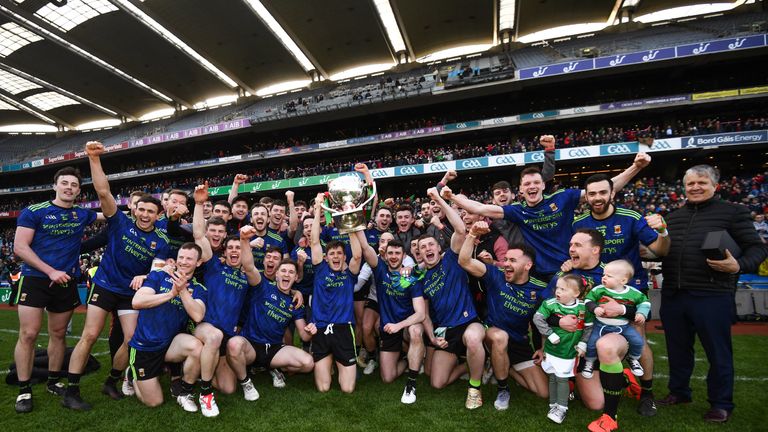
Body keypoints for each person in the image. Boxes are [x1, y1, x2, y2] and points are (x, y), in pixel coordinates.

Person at [63, 141, 171, 411]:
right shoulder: (119, 221)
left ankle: (112, 380)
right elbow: (103, 191)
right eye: (142, 210)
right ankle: (71, 390)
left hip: (130, 293)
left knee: (130, 339)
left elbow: (157, 269)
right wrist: (93, 158)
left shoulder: (162, 239)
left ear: (158, 216)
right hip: (105, 285)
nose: (145, 214)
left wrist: (145, 277)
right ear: (134, 210)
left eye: (151, 212)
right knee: (89, 334)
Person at [448, 138, 650, 280]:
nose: (532, 187)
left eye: (536, 182)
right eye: (527, 184)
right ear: (521, 189)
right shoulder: (518, 210)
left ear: (543, 184)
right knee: (541, 322)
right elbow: (482, 208)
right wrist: (450, 197)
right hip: (535, 272)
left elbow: (604, 188)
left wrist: (636, 167)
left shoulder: (563, 198)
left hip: (568, 269)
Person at [658, 165, 767, 423]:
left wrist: (739, 265)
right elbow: (664, 250)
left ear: (715, 185)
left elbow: (757, 248)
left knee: (717, 352)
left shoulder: (733, 212)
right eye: (690, 184)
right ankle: (679, 392)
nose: (695, 187)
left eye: (701, 183)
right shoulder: (672, 217)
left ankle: (721, 403)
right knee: (677, 349)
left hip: (712, 294)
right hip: (674, 292)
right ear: (683, 187)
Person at [573, 173, 670, 416]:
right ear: (587, 196)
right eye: (592, 193)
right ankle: (597, 376)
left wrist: (663, 232)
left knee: (638, 337)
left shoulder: (631, 217)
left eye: (602, 192)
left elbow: (660, 250)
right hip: (596, 290)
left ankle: (647, 393)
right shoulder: (579, 223)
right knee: (590, 333)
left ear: (612, 193)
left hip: (630, 290)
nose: (597, 198)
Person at [13, 167, 98, 413]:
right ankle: (24, 390)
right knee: (28, 334)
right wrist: (50, 270)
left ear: (79, 191)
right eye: (65, 183)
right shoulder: (34, 211)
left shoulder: (82, 214)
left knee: (59, 334)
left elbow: (109, 215)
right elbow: (20, 246)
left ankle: (52, 381)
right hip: (36, 279)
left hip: (66, 282)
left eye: (74, 184)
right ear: (55, 186)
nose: (69, 187)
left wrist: (137, 211)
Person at [457, 220, 549, 410]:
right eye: (506, 259)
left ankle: (500, 366)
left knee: (542, 392)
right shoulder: (495, 274)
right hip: (492, 334)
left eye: (512, 261)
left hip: (519, 342)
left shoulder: (540, 289)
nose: (506, 264)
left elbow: (541, 319)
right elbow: (464, 261)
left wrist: (541, 348)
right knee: (500, 337)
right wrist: (472, 234)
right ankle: (503, 389)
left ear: (528, 265)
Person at [191, 183, 261, 417]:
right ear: (223, 251)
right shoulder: (213, 266)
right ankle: (204, 391)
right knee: (214, 337)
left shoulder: (247, 274)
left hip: (230, 337)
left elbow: (249, 264)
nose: (234, 251)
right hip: (208, 329)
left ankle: (244, 380)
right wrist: (199, 204)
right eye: (229, 248)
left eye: (237, 248)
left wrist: (243, 241)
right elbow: (200, 234)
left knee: (229, 389)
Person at [418, 187, 486, 409]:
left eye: (431, 245)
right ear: (418, 254)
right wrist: (433, 338)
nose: (427, 249)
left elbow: (459, 227)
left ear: (439, 248)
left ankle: (474, 387)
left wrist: (438, 198)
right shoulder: (421, 278)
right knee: (436, 382)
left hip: (468, 323)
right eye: (422, 248)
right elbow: (425, 315)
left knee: (475, 340)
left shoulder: (452, 258)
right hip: (445, 331)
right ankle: (470, 366)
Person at [129, 243, 207, 412]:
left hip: (170, 346)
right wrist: (171, 294)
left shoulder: (198, 288)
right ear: (176, 259)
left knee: (196, 347)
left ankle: (185, 392)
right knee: (154, 402)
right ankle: (133, 376)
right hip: (146, 346)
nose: (184, 262)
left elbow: (198, 315)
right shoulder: (158, 277)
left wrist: (182, 290)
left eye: (189, 259)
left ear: (198, 263)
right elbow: (137, 302)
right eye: (181, 258)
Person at [224, 258, 314, 401]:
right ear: (276, 274)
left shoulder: (296, 302)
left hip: (274, 349)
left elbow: (304, 336)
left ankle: (276, 368)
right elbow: (248, 265)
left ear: (296, 277)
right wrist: (245, 240)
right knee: (234, 344)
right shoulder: (263, 287)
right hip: (251, 346)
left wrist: (310, 331)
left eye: (291, 272)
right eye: (283, 271)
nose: (287, 274)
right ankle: (246, 382)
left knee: (308, 363)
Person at [359, 237, 426, 403]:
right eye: (390, 253)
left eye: (397, 253)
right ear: (385, 256)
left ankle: (411, 383)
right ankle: (406, 358)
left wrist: (399, 325)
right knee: (387, 378)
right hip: (388, 327)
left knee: (416, 331)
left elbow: (420, 314)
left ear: (404, 256)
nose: (394, 256)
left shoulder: (411, 278)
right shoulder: (380, 270)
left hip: (405, 326)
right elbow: (366, 248)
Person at [308, 192, 363, 393]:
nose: (336, 256)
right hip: (321, 329)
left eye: (340, 253)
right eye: (332, 253)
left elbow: (357, 254)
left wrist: (346, 220)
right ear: (326, 257)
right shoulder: (320, 268)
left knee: (347, 389)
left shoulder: (349, 273)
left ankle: (340, 362)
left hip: (343, 329)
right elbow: (314, 241)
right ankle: (330, 361)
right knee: (323, 388)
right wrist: (317, 209)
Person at [533, 274, 592, 424]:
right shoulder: (550, 303)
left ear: (576, 293)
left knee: (562, 379)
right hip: (551, 350)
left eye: (563, 289)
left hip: (568, 352)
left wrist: (583, 344)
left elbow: (588, 328)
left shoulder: (583, 308)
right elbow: (537, 318)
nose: (558, 291)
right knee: (553, 377)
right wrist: (550, 334)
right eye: (557, 288)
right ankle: (553, 405)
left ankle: (562, 408)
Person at [582, 260, 650, 379]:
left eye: (609, 276)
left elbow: (645, 302)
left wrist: (641, 313)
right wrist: (595, 308)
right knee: (591, 343)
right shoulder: (599, 290)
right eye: (604, 275)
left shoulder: (633, 293)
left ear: (623, 280)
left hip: (623, 326)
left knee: (638, 341)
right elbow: (588, 300)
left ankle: (633, 358)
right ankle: (589, 362)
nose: (604, 278)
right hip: (600, 325)